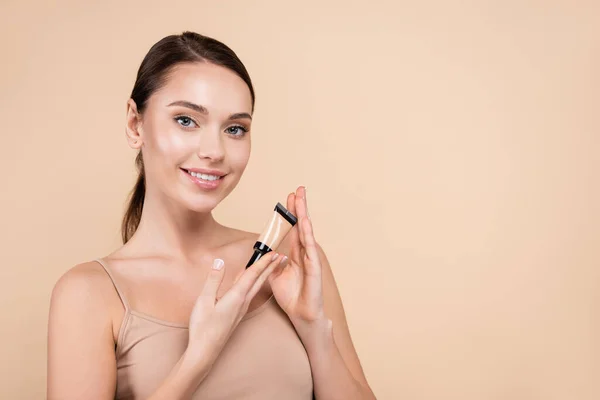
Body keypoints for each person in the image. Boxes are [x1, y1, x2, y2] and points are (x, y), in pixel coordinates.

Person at [47, 31, 376, 400]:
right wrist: (198, 357)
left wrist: (314, 329)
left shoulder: (288, 264)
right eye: (186, 120)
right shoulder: (89, 294)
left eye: (235, 129)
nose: (214, 151)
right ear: (135, 124)